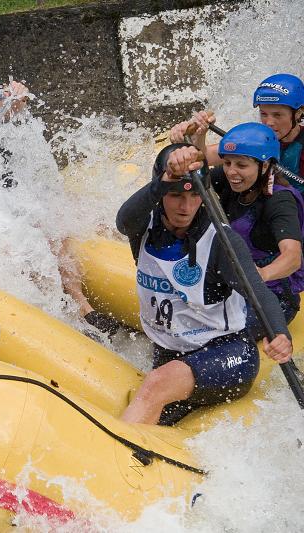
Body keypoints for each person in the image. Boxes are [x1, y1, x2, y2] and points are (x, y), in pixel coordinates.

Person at [116, 143, 292, 425]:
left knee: (157, 384)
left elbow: (257, 291)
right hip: (171, 351)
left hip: (228, 354)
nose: (185, 207)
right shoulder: (143, 226)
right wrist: (166, 179)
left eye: (195, 195)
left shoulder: (221, 242)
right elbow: (123, 220)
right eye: (175, 195)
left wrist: (280, 333)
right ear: (159, 191)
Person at [212, 123, 304, 339]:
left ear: (264, 166)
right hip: (232, 287)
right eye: (227, 163)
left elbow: (292, 257)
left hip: (274, 296)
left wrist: (261, 275)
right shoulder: (230, 179)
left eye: (241, 165)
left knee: (217, 336)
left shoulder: (280, 201)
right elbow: (196, 166)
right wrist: (194, 139)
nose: (232, 171)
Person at [170, 73, 304, 185]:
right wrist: (199, 135)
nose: (268, 122)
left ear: (298, 113)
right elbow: (204, 156)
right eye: (263, 114)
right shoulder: (256, 137)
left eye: (277, 115)